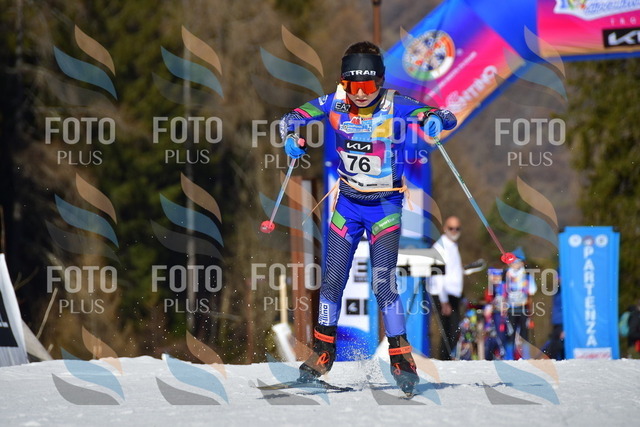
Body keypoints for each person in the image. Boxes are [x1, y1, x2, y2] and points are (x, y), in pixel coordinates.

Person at [278, 41, 457, 393]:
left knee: (382, 283)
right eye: (352, 84)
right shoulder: (334, 103)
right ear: (343, 81)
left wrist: (436, 119)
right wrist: (291, 137)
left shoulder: (395, 104)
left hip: (384, 208)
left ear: (381, 81)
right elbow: (291, 118)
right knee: (332, 281)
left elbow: (442, 114)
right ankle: (323, 351)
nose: (360, 93)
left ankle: (401, 358)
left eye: (368, 84)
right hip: (347, 204)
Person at [429, 216, 464, 360]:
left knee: (453, 330)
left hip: (453, 293)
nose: (454, 231)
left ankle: (447, 358)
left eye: (457, 228)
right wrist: (444, 301)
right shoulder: (441, 247)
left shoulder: (453, 245)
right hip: (443, 294)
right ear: (444, 228)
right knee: (448, 330)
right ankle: (443, 360)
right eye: (451, 228)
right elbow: (437, 276)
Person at [503, 247, 537, 359]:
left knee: (524, 333)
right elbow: (502, 291)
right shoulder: (506, 275)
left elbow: (532, 292)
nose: (515, 264)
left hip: (523, 308)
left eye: (518, 261)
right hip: (511, 308)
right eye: (513, 261)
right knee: (510, 333)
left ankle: (526, 356)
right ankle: (509, 357)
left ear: (522, 263)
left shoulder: (527, 277)